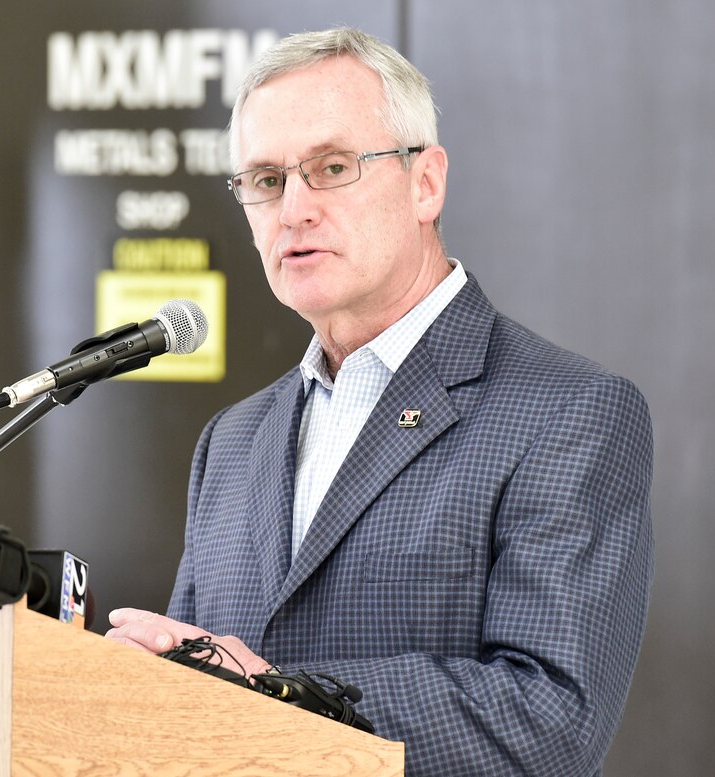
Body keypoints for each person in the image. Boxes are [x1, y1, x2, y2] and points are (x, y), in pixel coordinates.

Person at [105, 26, 653, 777]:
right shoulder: (231, 440)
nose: (293, 209)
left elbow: (550, 721)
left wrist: (278, 692)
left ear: (425, 183)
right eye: (265, 180)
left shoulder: (569, 412)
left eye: (331, 168)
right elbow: (198, 696)